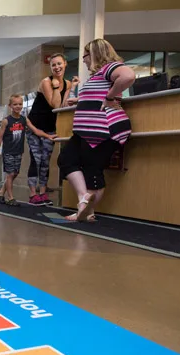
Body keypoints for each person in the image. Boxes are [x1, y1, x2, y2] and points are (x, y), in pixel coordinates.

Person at [58, 39, 135, 222]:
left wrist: (109, 97)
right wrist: (80, 100)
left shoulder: (110, 67)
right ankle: (85, 200)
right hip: (86, 130)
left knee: (93, 171)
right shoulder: (98, 74)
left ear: (94, 54)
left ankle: (87, 211)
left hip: (102, 129)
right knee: (66, 159)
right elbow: (99, 94)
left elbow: (128, 76)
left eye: (85, 56)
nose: (84, 60)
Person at [26, 53, 79, 205]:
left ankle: (42, 193)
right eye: (53, 65)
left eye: (59, 64)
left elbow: (62, 107)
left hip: (50, 127)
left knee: (46, 160)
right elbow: (54, 104)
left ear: (65, 64)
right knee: (35, 159)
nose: (57, 67)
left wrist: (72, 87)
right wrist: (56, 86)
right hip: (34, 126)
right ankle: (32, 194)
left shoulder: (67, 83)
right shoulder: (46, 82)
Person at [0, 94, 53, 206]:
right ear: (10, 106)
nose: (18, 106)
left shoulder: (24, 119)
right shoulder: (6, 121)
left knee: (15, 174)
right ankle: (11, 198)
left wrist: (48, 136)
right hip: (8, 152)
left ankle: (1, 192)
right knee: (10, 174)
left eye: (20, 104)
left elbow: (35, 130)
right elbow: (0, 138)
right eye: (15, 104)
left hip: (18, 151)